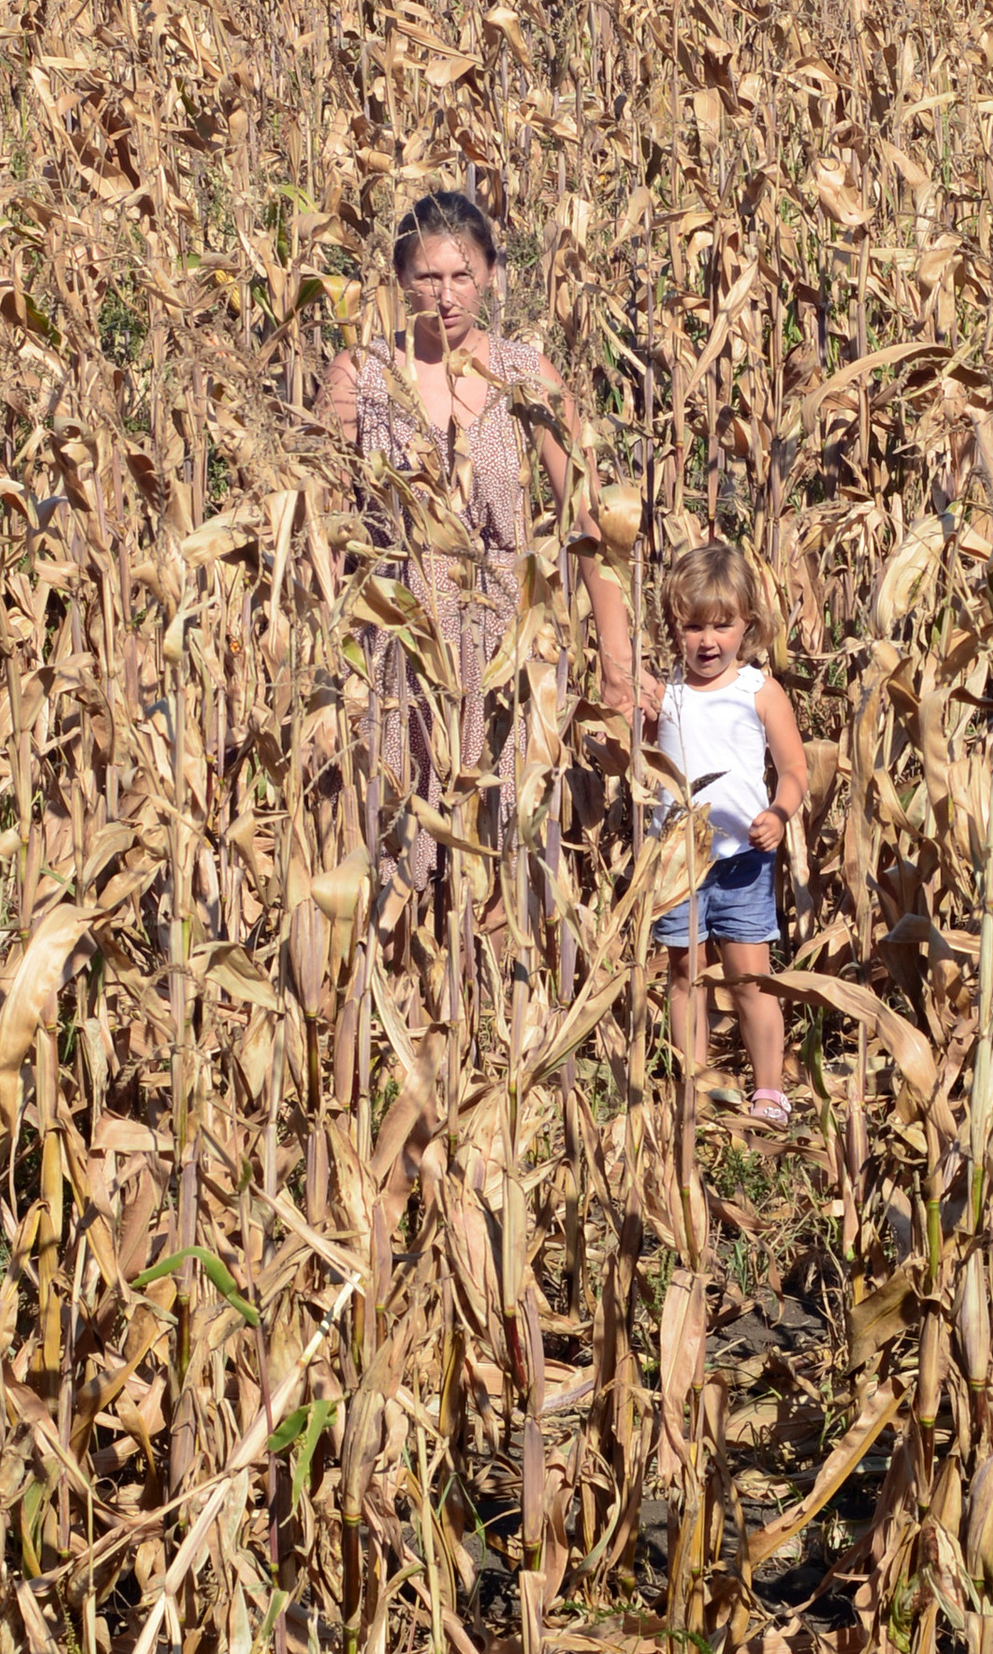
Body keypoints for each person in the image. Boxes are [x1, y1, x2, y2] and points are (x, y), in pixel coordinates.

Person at [318, 192, 637, 897]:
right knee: (396, 849)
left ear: (491, 274)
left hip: (505, 646)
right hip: (394, 645)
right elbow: (325, 531)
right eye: (428, 277)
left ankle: (503, 1000)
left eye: (462, 276)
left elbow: (589, 519)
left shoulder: (528, 376)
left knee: (505, 850)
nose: (445, 295)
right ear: (400, 278)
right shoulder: (358, 377)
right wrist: (324, 666)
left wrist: (617, 664)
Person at [649, 539, 809, 1126]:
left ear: (749, 625)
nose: (708, 641)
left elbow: (794, 768)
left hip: (742, 860)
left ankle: (768, 1089)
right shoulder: (663, 694)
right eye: (693, 627)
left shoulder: (759, 692)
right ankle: (692, 1082)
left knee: (751, 979)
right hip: (675, 863)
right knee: (686, 974)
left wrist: (780, 813)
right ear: (675, 626)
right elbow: (631, 754)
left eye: (723, 625)